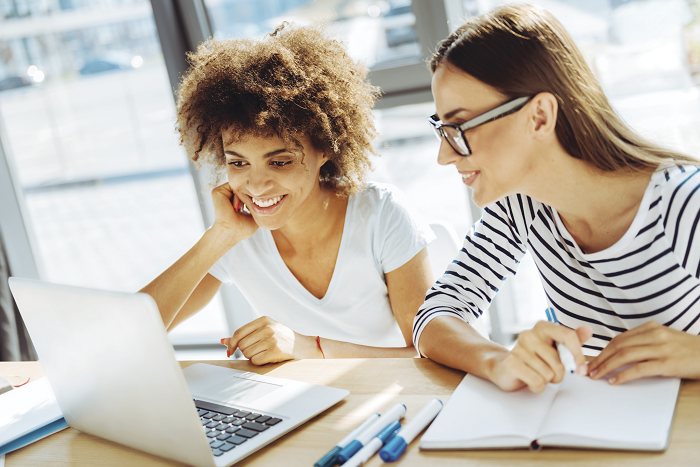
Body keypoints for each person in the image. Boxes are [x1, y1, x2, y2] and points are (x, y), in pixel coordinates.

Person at [414, 4, 700, 392]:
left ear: (539, 117)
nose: (444, 155)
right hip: (599, 433)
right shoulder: (520, 205)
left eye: (460, 126)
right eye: (442, 129)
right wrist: (500, 360)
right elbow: (434, 317)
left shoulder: (683, 205)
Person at [140, 23, 435, 365]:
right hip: (304, 406)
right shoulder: (236, 235)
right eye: (238, 163)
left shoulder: (383, 215)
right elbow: (129, 336)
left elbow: (428, 357)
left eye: (279, 162)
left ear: (324, 148)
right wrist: (219, 237)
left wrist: (308, 349)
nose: (256, 185)